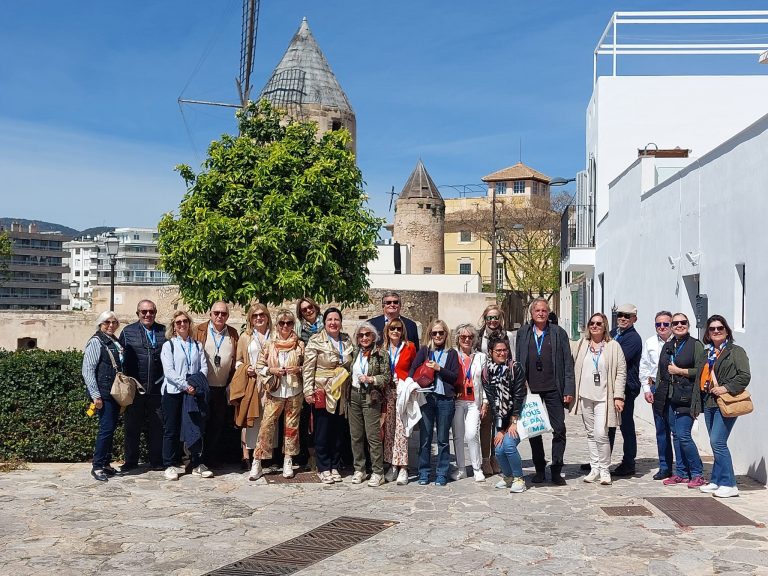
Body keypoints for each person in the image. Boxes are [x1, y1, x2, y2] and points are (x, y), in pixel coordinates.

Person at [515, 297, 575, 486]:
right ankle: (540, 469)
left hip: (553, 389)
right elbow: (518, 360)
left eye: (544, 310)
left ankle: (556, 468)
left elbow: (568, 363)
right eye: (537, 310)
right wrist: (520, 384)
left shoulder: (558, 333)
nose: (540, 313)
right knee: (535, 431)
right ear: (531, 313)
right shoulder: (524, 332)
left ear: (548, 313)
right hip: (531, 390)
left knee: (559, 430)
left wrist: (569, 388)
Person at [695, 315, 751, 498]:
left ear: (727, 330)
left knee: (717, 441)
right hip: (710, 402)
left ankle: (729, 483)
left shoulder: (736, 351)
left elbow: (744, 376)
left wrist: (725, 388)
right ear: (708, 333)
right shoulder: (707, 353)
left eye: (720, 328)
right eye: (712, 329)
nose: (716, 331)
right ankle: (717, 480)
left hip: (726, 401)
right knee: (715, 442)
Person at [571, 313, 626, 485]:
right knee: (590, 433)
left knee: (601, 433)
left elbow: (621, 372)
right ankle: (594, 468)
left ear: (605, 326)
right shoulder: (581, 344)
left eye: (599, 323)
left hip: (604, 397)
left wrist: (618, 396)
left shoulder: (613, 346)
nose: (595, 326)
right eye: (592, 323)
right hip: (585, 395)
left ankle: (604, 469)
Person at [250, 309, 305, 480]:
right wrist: (271, 370)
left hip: (294, 390)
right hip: (275, 391)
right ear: (277, 325)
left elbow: (308, 366)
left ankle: (288, 460)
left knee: (291, 427)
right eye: (282, 323)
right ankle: (257, 462)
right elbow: (259, 366)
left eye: (289, 323)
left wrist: (298, 369)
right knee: (266, 426)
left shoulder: (299, 345)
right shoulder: (269, 344)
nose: (285, 326)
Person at [655, 312, 707, 488]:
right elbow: (661, 370)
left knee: (684, 434)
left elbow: (701, 371)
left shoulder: (695, 345)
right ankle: (682, 473)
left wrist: (680, 371)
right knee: (676, 435)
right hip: (669, 396)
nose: (679, 325)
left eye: (682, 322)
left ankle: (697, 473)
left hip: (687, 397)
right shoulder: (669, 345)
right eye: (675, 323)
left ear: (688, 324)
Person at [302, 307, 354, 484]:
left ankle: (334, 464)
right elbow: (308, 368)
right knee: (322, 429)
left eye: (336, 319)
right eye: (329, 320)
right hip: (323, 390)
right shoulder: (316, 340)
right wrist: (308, 391)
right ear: (324, 323)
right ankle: (323, 466)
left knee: (338, 430)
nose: (333, 323)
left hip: (342, 391)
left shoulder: (346, 340)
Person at [160, 310, 211, 481]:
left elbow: (203, 368)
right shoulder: (169, 346)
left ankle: (197, 463)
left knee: (194, 427)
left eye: (185, 321)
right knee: (171, 429)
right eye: (178, 322)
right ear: (173, 327)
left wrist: (194, 385)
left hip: (193, 392)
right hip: (174, 392)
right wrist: (185, 385)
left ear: (189, 324)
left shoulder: (197, 345)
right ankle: (169, 464)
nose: (182, 324)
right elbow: (169, 371)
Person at [409, 319, 459, 486]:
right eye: (434, 333)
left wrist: (439, 369)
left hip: (445, 399)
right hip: (427, 398)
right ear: (429, 334)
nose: (437, 336)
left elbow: (454, 377)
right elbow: (413, 370)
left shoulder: (451, 353)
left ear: (446, 334)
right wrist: (412, 386)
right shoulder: (425, 351)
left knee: (443, 438)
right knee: (426, 437)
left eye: (441, 332)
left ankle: (442, 473)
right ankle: (424, 472)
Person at [119, 299, 166, 471]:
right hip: (135, 388)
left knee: (158, 426)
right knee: (132, 426)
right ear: (137, 313)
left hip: (157, 388)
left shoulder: (163, 331)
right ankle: (130, 461)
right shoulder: (128, 331)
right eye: (144, 312)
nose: (148, 314)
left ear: (155, 312)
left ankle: (156, 461)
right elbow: (120, 358)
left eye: (151, 311)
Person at [194, 301, 239, 468]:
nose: (220, 316)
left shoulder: (233, 334)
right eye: (216, 313)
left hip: (222, 388)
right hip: (203, 387)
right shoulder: (199, 331)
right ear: (210, 314)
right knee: (199, 423)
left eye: (224, 314)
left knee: (217, 424)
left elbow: (236, 360)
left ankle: (210, 459)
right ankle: (195, 459)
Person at [82, 311, 125, 482]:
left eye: (114, 322)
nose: (111, 325)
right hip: (103, 392)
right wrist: (95, 395)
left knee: (111, 428)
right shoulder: (96, 342)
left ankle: (106, 463)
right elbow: (88, 371)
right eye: (107, 322)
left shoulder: (114, 340)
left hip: (113, 391)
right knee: (106, 429)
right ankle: (97, 466)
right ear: (100, 324)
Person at [482, 336, 527, 493]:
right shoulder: (487, 372)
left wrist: (513, 421)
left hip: (518, 415)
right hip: (501, 416)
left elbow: (519, 395)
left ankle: (519, 478)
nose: (502, 353)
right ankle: (508, 476)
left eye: (504, 350)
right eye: (498, 350)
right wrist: (501, 428)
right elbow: (493, 401)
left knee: (508, 445)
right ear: (491, 352)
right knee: (499, 447)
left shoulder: (515, 368)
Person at [348, 322, 391, 487]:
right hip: (354, 395)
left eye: (367, 334)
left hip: (370, 396)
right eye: (361, 335)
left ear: (374, 336)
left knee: (373, 436)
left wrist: (372, 379)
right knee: (356, 435)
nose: (364, 338)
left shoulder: (381, 353)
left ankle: (378, 471)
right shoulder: (355, 352)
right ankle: (359, 469)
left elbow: (386, 377)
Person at [474, 304, 514, 476]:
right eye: (489, 318)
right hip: (486, 382)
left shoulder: (509, 336)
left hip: (503, 383)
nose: (493, 321)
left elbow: (513, 358)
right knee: (486, 422)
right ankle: (484, 458)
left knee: (500, 421)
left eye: (496, 317)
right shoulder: (478, 337)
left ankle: (495, 457)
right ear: (485, 319)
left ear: (500, 318)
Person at [234, 303, 272, 473]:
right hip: (253, 382)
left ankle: (265, 455)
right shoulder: (245, 337)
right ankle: (246, 455)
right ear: (250, 318)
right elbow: (238, 360)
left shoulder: (275, 336)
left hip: (272, 382)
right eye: (255, 315)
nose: (259, 318)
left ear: (267, 317)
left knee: (268, 419)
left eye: (262, 315)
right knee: (250, 417)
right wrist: (245, 367)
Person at [608, 303, 643, 477]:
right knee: (609, 425)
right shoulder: (614, 333)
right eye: (620, 315)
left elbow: (618, 359)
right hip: (612, 387)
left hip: (627, 387)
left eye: (627, 316)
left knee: (626, 425)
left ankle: (629, 462)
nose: (622, 318)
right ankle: (603, 459)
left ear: (634, 319)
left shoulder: (633, 338)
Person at [382, 316, 417, 486]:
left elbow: (415, 368)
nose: (395, 331)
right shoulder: (383, 348)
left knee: (402, 429)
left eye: (398, 328)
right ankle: (391, 465)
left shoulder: (409, 347)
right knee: (389, 429)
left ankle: (403, 466)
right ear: (387, 331)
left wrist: (411, 383)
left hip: (402, 389)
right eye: (392, 328)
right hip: (387, 391)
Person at [639, 310, 674, 480]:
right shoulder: (650, 342)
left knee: (678, 431)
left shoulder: (678, 343)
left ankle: (682, 468)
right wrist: (646, 389)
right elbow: (644, 366)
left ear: (671, 325)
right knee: (661, 430)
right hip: (656, 388)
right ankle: (665, 466)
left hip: (675, 390)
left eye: (665, 324)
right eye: (658, 324)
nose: (662, 327)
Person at [451, 323, 487, 482]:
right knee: (458, 436)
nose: (466, 339)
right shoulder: (452, 355)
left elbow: (486, 381)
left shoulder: (481, 357)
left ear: (474, 339)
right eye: (463, 337)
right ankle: (461, 469)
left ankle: (477, 468)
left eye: (470, 337)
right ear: (458, 339)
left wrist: (485, 401)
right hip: (457, 401)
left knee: (472, 434)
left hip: (474, 402)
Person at [296, 297, 323, 470]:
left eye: (310, 307)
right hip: (306, 379)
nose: (308, 311)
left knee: (324, 419)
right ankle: (310, 457)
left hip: (324, 378)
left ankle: (325, 457)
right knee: (307, 421)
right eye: (304, 309)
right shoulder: (299, 330)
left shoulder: (325, 326)